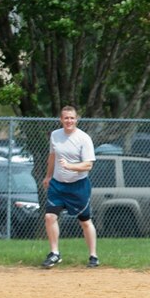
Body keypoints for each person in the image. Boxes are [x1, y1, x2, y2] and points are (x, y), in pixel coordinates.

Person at [41, 106, 98, 268]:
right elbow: (52, 156)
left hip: (78, 186)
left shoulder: (83, 138)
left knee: (85, 221)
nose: (69, 121)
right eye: (66, 118)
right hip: (58, 185)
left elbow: (88, 165)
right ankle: (55, 253)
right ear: (61, 120)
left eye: (72, 118)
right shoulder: (55, 135)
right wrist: (48, 176)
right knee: (49, 217)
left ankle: (93, 256)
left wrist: (70, 166)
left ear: (76, 119)